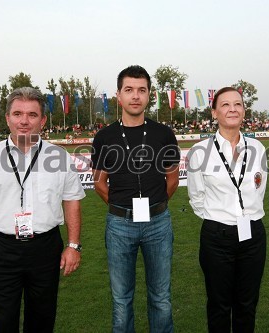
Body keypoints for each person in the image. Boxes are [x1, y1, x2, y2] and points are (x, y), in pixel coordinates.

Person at [0, 87, 85, 332]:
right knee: (3, 322)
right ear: (7, 118)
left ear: (43, 120)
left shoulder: (60, 157)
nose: (24, 121)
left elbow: (72, 201)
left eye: (32, 115)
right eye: (17, 114)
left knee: (42, 321)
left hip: (45, 250)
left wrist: (73, 245)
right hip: (1, 251)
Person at [90, 65, 180, 333]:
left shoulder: (163, 134)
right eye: (129, 90)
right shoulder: (104, 136)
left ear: (149, 95)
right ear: (119, 95)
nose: (135, 96)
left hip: (158, 223)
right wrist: (122, 209)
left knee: (161, 298)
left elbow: (172, 179)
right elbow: (99, 182)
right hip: (119, 226)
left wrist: (155, 207)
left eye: (141, 90)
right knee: (121, 299)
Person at [187, 87, 268, 333]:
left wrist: (244, 215)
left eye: (238, 104)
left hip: (252, 235)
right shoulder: (200, 151)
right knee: (219, 305)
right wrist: (220, 219)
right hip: (216, 236)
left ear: (244, 111)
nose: (232, 109)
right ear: (214, 113)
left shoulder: (258, 148)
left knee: (247, 304)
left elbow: (259, 190)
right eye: (225, 105)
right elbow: (196, 196)